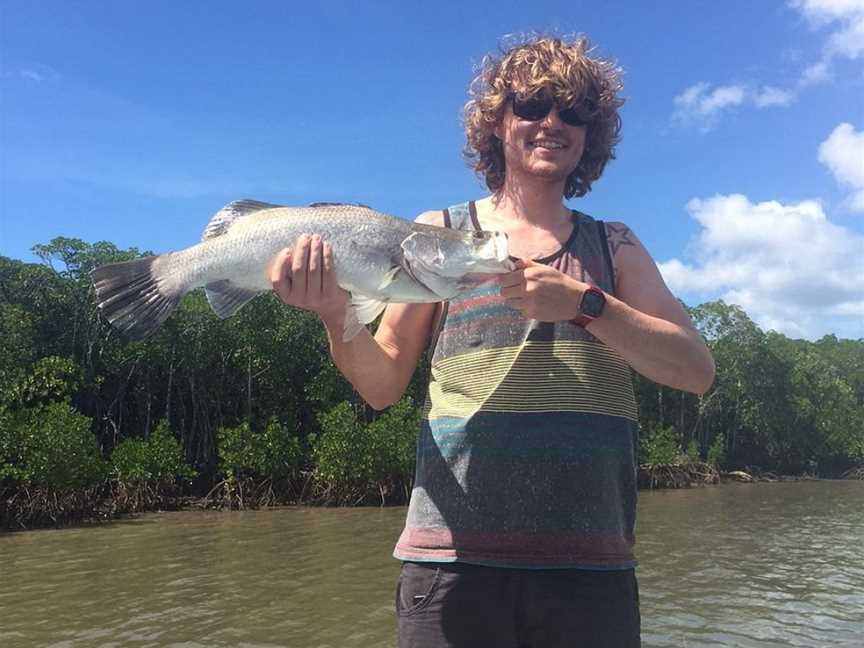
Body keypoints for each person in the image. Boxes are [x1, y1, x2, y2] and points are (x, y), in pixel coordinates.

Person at [269, 35, 715, 648]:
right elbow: (382, 383)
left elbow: (696, 371)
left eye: (574, 110)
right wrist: (333, 313)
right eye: (532, 105)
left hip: (591, 570)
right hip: (450, 565)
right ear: (498, 122)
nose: (552, 122)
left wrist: (587, 305)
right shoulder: (437, 234)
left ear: (592, 133)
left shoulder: (616, 246)